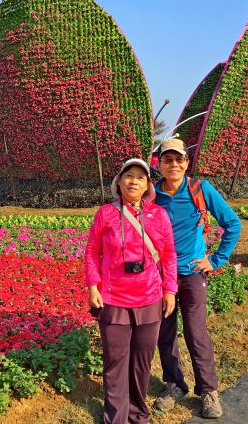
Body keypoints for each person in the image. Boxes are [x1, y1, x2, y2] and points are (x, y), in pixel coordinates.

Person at [153, 138, 242, 419]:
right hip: (161, 276)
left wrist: (216, 259)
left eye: (178, 159)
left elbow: (233, 223)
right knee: (164, 332)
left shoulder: (201, 189)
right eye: (168, 159)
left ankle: (208, 390)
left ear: (186, 163)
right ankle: (175, 384)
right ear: (160, 164)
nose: (174, 164)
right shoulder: (152, 194)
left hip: (192, 273)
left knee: (195, 332)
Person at [85, 158, 178, 424]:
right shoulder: (106, 213)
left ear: (148, 184)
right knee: (115, 363)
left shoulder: (158, 215)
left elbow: (169, 255)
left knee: (141, 363)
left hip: (149, 298)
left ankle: (138, 414)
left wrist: (169, 289)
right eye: (128, 176)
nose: (133, 181)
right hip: (113, 299)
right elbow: (92, 252)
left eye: (140, 177)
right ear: (119, 182)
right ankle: (115, 417)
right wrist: (93, 286)